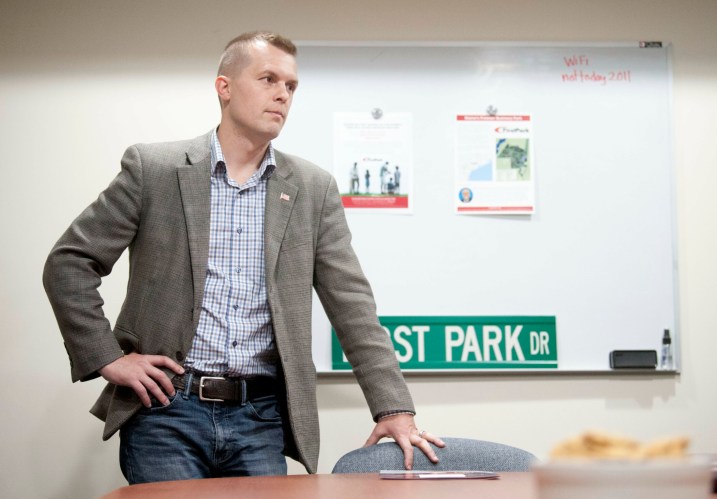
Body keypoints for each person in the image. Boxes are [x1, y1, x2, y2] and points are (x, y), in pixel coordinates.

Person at [42, 31, 443, 484]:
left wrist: (393, 407)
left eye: (290, 86)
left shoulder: (313, 188)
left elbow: (352, 305)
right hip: (167, 410)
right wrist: (107, 356)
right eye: (268, 78)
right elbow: (69, 263)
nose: (281, 94)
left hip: (261, 417)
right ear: (224, 87)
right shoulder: (153, 169)